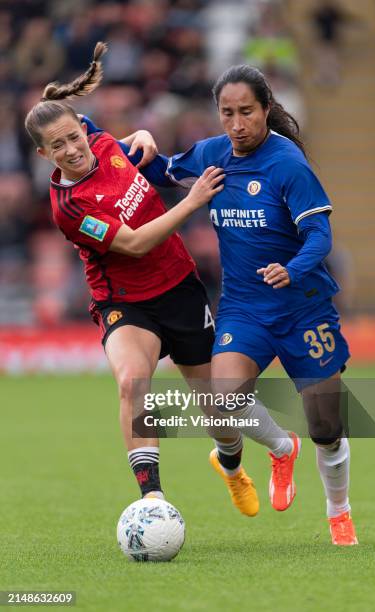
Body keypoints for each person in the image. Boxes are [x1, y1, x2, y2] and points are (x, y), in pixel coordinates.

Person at [89, 64, 357, 545]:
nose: (236, 124)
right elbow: (160, 169)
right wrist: (128, 139)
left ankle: (339, 511)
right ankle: (273, 451)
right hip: (245, 307)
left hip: (304, 309)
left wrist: (292, 268)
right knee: (224, 398)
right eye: (227, 113)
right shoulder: (214, 155)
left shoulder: (288, 165)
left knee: (327, 426)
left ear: (267, 110)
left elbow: (319, 234)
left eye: (247, 112)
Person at [24, 42, 230, 505]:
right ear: (43, 154)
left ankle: (229, 458)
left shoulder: (98, 140)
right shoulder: (69, 208)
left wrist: (139, 134)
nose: (71, 149)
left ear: (83, 128)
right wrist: (193, 200)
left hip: (178, 285)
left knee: (215, 402)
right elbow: (135, 244)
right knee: (132, 382)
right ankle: (151, 499)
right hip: (124, 300)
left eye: (73, 137)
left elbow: (123, 150)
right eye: (57, 146)